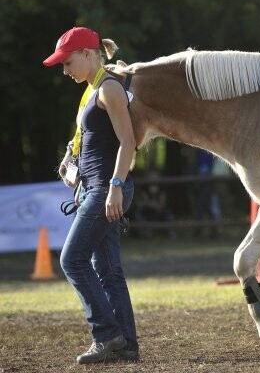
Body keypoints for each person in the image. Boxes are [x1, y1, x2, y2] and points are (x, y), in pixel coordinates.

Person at [44, 27, 140, 364]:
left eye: (68, 63)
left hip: (105, 190)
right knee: (109, 271)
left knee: (72, 260)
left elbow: (128, 143)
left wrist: (115, 186)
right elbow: (95, 140)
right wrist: (72, 162)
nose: (65, 70)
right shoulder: (93, 89)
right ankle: (127, 344)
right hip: (95, 188)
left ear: (88, 54)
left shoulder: (109, 89)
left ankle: (106, 334)